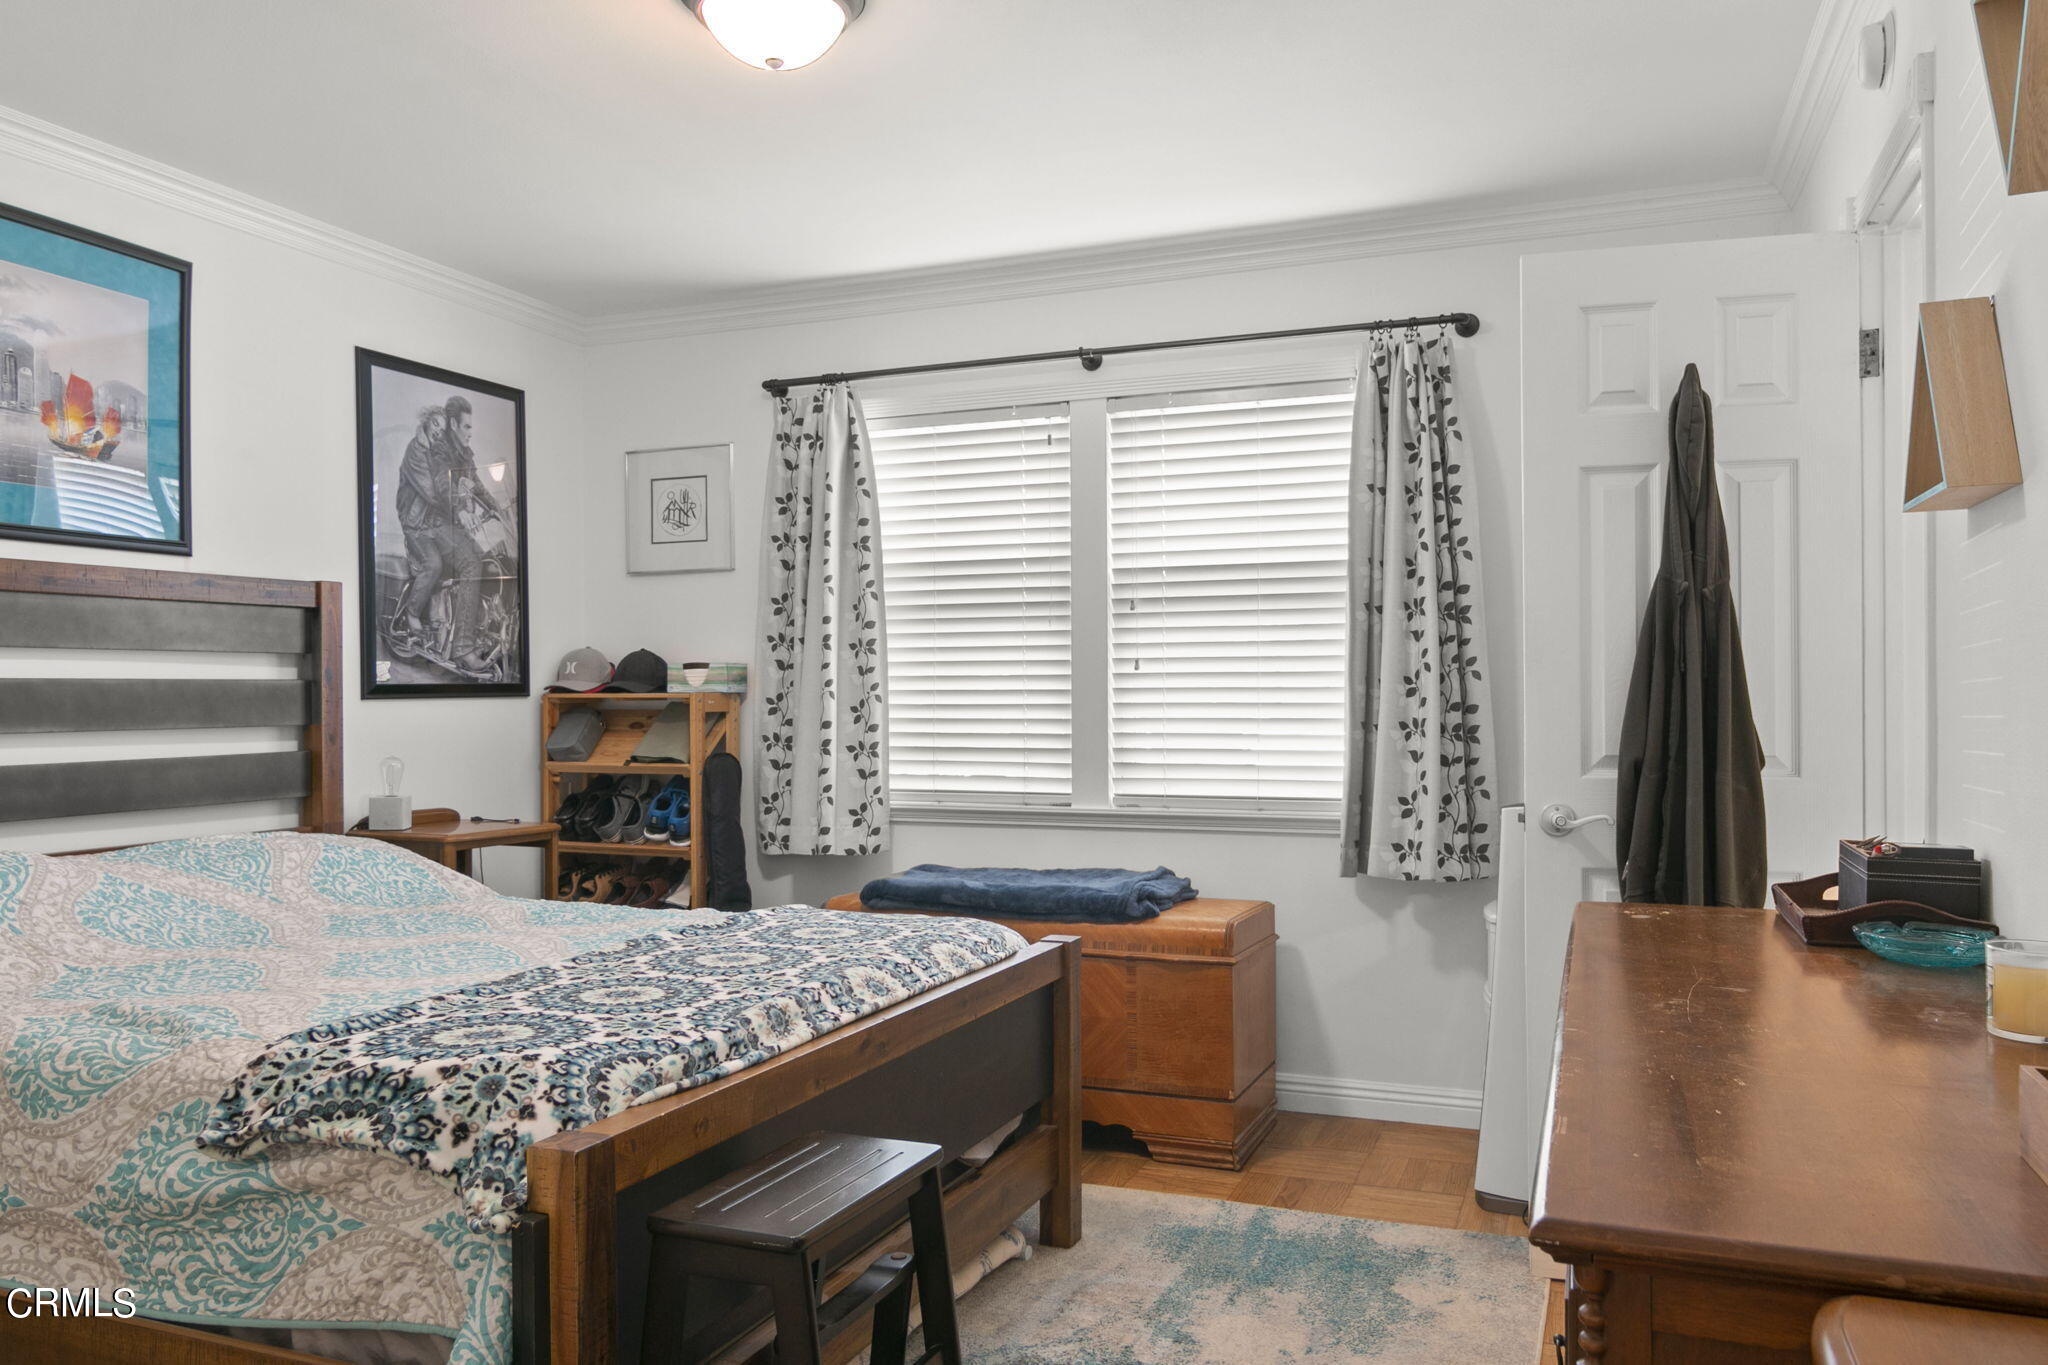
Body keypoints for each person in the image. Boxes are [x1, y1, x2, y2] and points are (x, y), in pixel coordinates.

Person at [393, 399, 489, 673]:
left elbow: (473, 484)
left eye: (442, 427)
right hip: (418, 526)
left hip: (435, 524)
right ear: (425, 423)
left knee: (476, 555)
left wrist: (494, 507)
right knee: (434, 564)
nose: (438, 431)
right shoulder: (417, 453)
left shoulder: (447, 451)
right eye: (435, 425)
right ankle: (412, 614)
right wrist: (460, 503)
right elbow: (434, 492)